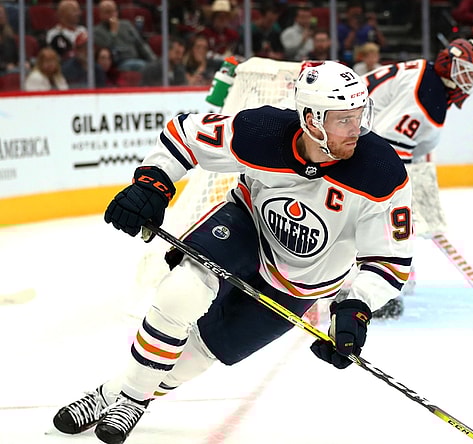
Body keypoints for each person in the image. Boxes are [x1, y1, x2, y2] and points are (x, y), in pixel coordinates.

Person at [51, 60, 412, 444]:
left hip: (304, 284)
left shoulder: (381, 172)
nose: (356, 129)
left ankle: (115, 394)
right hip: (245, 229)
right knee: (180, 294)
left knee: (200, 354)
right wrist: (152, 182)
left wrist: (355, 306)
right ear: (310, 118)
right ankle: (132, 399)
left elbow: (390, 261)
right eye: (343, 120)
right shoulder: (263, 132)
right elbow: (184, 132)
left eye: (359, 115)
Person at [360, 38, 473, 318]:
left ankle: (383, 278)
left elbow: (405, 145)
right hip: (355, 146)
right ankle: (372, 289)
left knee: (387, 216)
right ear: (447, 65)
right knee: (381, 215)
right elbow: (390, 144)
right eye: (465, 71)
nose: (470, 81)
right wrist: (402, 191)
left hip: (357, 140)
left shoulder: (430, 82)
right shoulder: (427, 93)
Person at [93, 0, 157, 72]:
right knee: (141, 66)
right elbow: (108, 50)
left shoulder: (126, 25)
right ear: (100, 14)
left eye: (114, 11)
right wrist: (113, 32)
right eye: (108, 12)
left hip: (136, 59)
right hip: (118, 63)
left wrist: (153, 60)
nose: (112, 15)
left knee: (155, 66)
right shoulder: (96, 31)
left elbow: (140, 44)